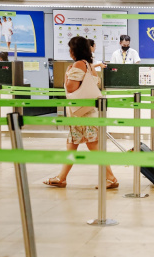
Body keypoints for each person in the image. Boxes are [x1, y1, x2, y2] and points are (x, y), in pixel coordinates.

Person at [44, 36, 119, 189]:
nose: (70, 51)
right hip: (85, 112)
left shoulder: (78, 64)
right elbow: (96, 83)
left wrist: (68, 73)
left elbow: (71, 87)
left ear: (75, 50)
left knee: (93, 145)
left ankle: (110, 178)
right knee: (72, 144)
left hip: (83, 114)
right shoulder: (89, 65)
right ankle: (61, 178)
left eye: (71, 48)